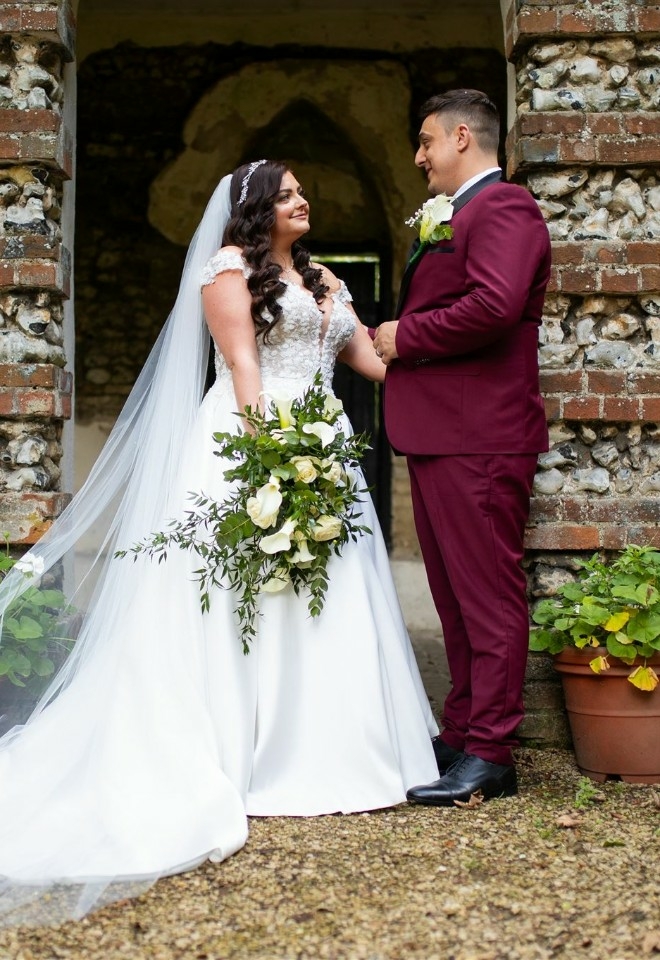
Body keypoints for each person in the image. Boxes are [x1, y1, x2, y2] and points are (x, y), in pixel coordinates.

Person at [0, 160, 438, 925]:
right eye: (292, 193)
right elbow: (243, 367)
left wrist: (440, 349)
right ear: (257, 207)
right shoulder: (226, 270)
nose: (306, 201)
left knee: (329, 595)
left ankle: (338, 750)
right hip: (252, 443)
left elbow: (367, 360)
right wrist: (277, 464)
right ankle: (250, 752)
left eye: (306, 191)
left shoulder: (326, 277)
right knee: (256, 591)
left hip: (326, 443)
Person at [373, 90, 551, 806]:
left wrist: (402, 336)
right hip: (446, 433)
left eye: (424, 142)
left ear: (461, 136)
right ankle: (463, 730)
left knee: (488, 597)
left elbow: (496, 303)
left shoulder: (504, 207)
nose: (418, 157)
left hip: (482, 435)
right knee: (452, 599)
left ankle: (492, 752)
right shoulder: (458, 212)